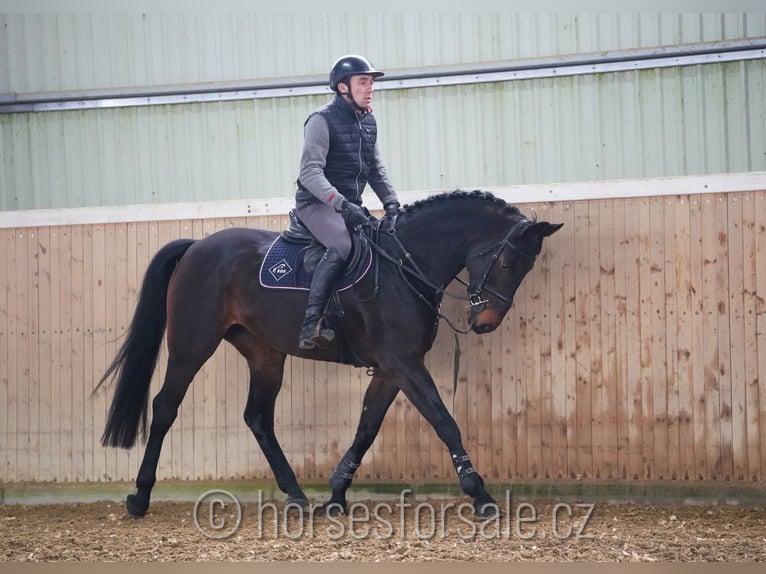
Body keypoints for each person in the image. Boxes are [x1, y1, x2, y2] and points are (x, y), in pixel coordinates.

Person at [295, 54, 401, 350]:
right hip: (316, 204)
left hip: (350, 205)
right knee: (342, 245)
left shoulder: (368, 121)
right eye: (363, 82)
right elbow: (310, 172)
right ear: (343, 87)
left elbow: (375, 169)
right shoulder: (321, 120)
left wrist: (392, 203)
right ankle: (311, 321)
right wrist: (341, 204)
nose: (370, 88)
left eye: (371, 83)